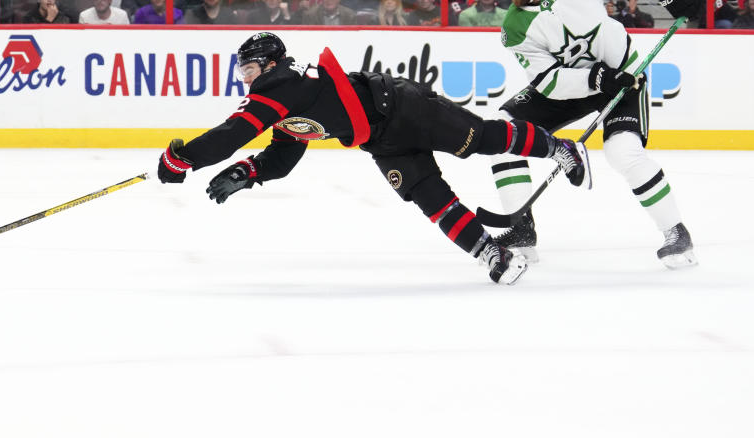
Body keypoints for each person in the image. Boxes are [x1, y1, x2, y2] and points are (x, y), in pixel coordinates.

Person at [156, 32, 593, 285]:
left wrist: (183, 159)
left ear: (269, 65)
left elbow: (232, 132)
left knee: (478, 138)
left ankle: (561, 148)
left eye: (248, 69)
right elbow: (285, 154)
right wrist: (250, 172)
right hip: (381, 138)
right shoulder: (285, 100)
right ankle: (491, 255)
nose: (245, 79)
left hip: (404, 108)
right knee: (428, 196)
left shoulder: (279, 86)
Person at [491, 0, 698, 269]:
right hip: (576, 85)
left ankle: (676, 233)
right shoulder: (514, 27)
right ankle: (521, 231)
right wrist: (596, 79)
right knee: (503, 132)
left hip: (622, 76)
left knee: (623, 152)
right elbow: (549, 81)